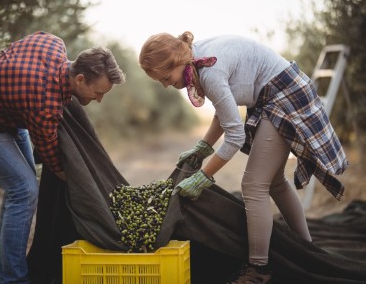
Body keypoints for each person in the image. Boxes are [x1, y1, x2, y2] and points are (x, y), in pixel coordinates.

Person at [138, 31, 348, 284]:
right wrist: (203, 147)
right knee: (274, 181)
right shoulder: (193, 54)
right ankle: (307, 249)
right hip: (275, 93)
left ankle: (259, 270)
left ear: (176, 61)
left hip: (284, 95)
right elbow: (223, 110)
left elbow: (235, 136)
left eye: (165, 77)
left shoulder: (209, 71)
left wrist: (204, 176)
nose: (165, 84)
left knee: (253, 185)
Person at [0, 31, 125, 284]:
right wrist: (82, 185)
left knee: (19, 191)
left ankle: (3, 271)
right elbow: (55, 163)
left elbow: (39, 36)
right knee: (24, 190)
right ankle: (13, 279)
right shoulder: (44, 103)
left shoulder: (53, 42)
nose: (98, 100)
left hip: (9, 116)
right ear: (79, 78)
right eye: (98, 93)